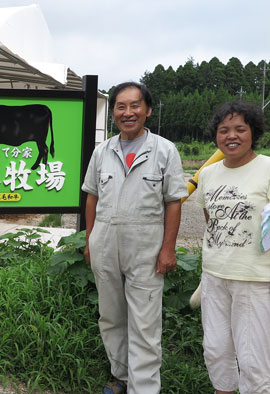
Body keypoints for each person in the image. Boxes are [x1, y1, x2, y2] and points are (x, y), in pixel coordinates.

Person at [82, 82, 188, 394]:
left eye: (135, 105)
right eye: (120, 106)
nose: (128, 112)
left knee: (145, 322)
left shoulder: (165, 150)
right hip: (105, 244)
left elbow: (174, 201)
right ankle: (122, 378)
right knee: (111, 316)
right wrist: (90, 241)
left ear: (148, 110)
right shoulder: (102, 151)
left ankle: (144, 389)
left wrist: (168, 249)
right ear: (113, 111)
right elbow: (91, 197)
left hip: (146, 249)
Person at [196, 101, 270, 394]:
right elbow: (211, 219)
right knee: (215, 349)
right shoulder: (208, 174)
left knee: (254, 358)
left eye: (240, 129)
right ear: (215, 136)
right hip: (214, 276)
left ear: (253, 132)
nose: (232, 136)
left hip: (255, 280)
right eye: (224, 130)